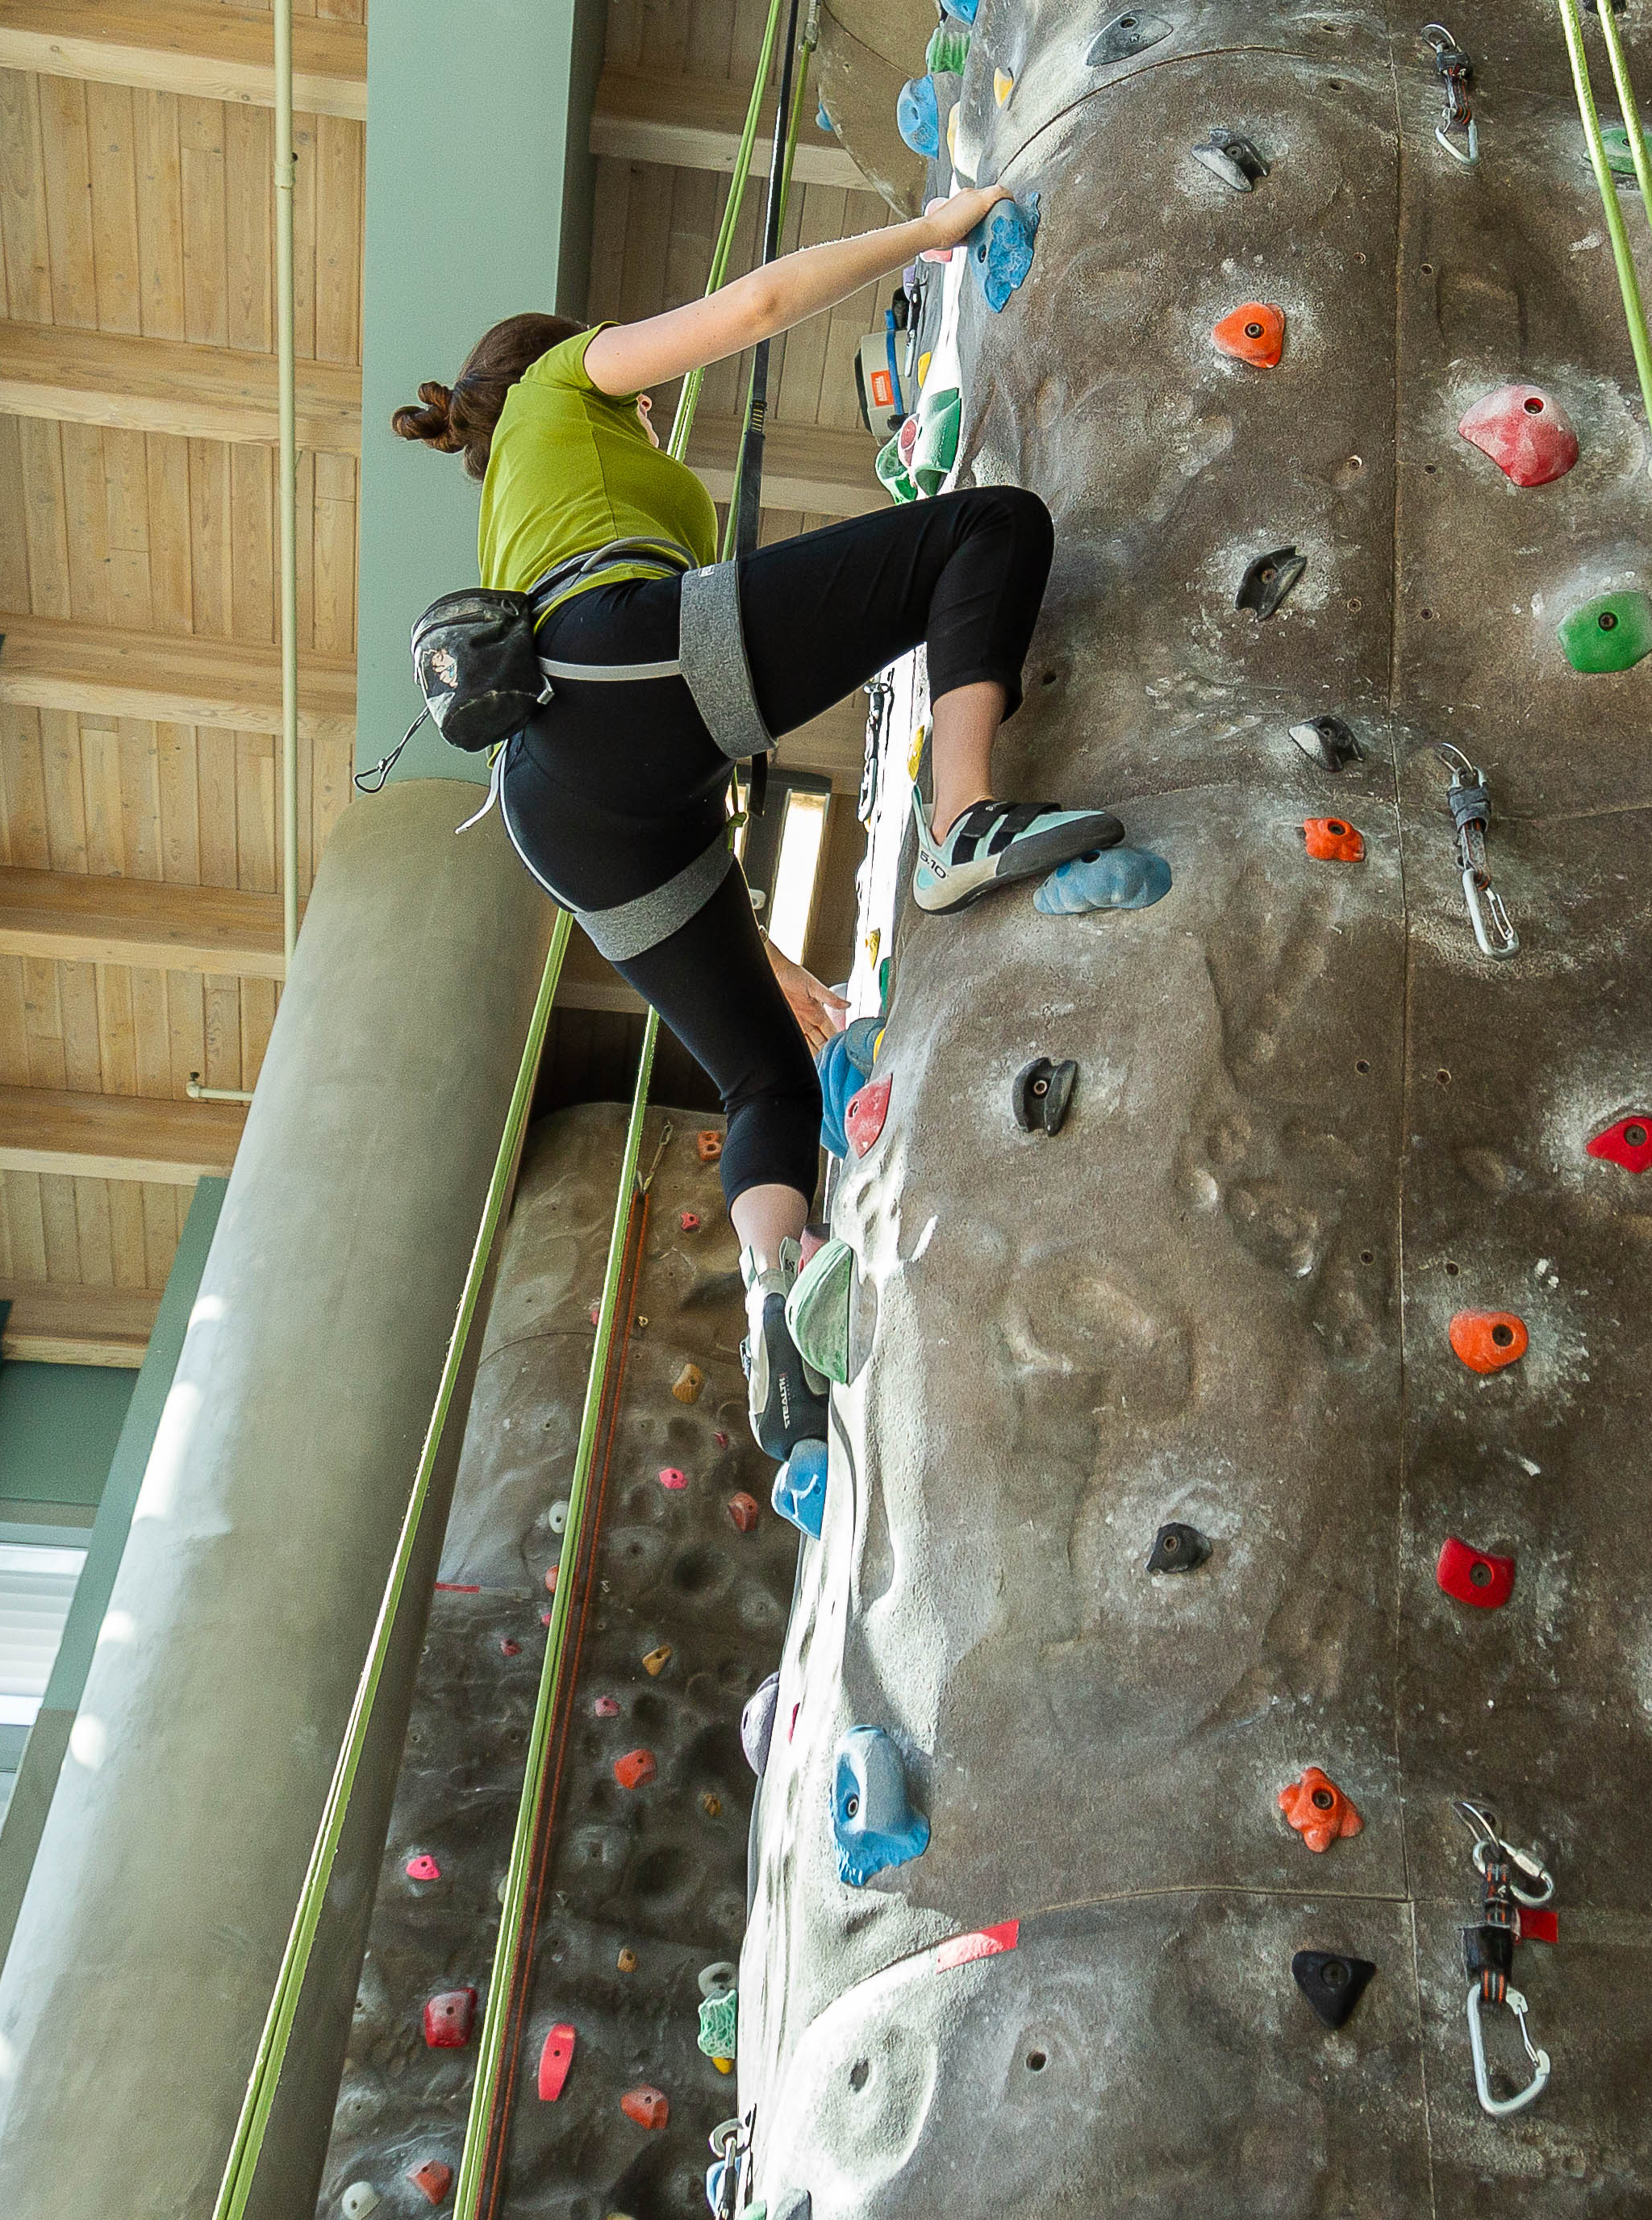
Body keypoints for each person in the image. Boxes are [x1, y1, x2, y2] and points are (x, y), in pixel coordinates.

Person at [391, 186, 1114, 1448]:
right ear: (555, 356)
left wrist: (770, 960)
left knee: (765, 1071)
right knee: (985, 531)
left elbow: (650, 792)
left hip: (556, 811)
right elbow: (759, 306)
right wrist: (932, 229)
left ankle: (774, 1308)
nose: (652, 408)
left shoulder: (509, 503)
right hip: (618, 671)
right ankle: (961, 821)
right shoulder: (567, 382)